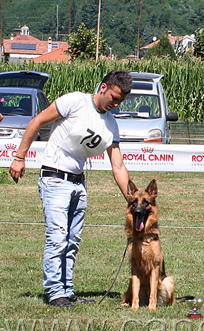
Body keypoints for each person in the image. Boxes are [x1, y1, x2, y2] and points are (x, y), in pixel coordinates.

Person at [9, 71, 133, 308]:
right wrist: (19, 157)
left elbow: (117, 165)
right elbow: (37, 121)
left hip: (78, 182)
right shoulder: (75, 101)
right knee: (57, 238)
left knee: (72, 240)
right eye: (114, 98)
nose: (115, 104)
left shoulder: (110, 125)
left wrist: (133, 199)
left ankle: (67, 290)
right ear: (103, 87)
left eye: (120, 101)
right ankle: (55, 293)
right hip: (55, 178)